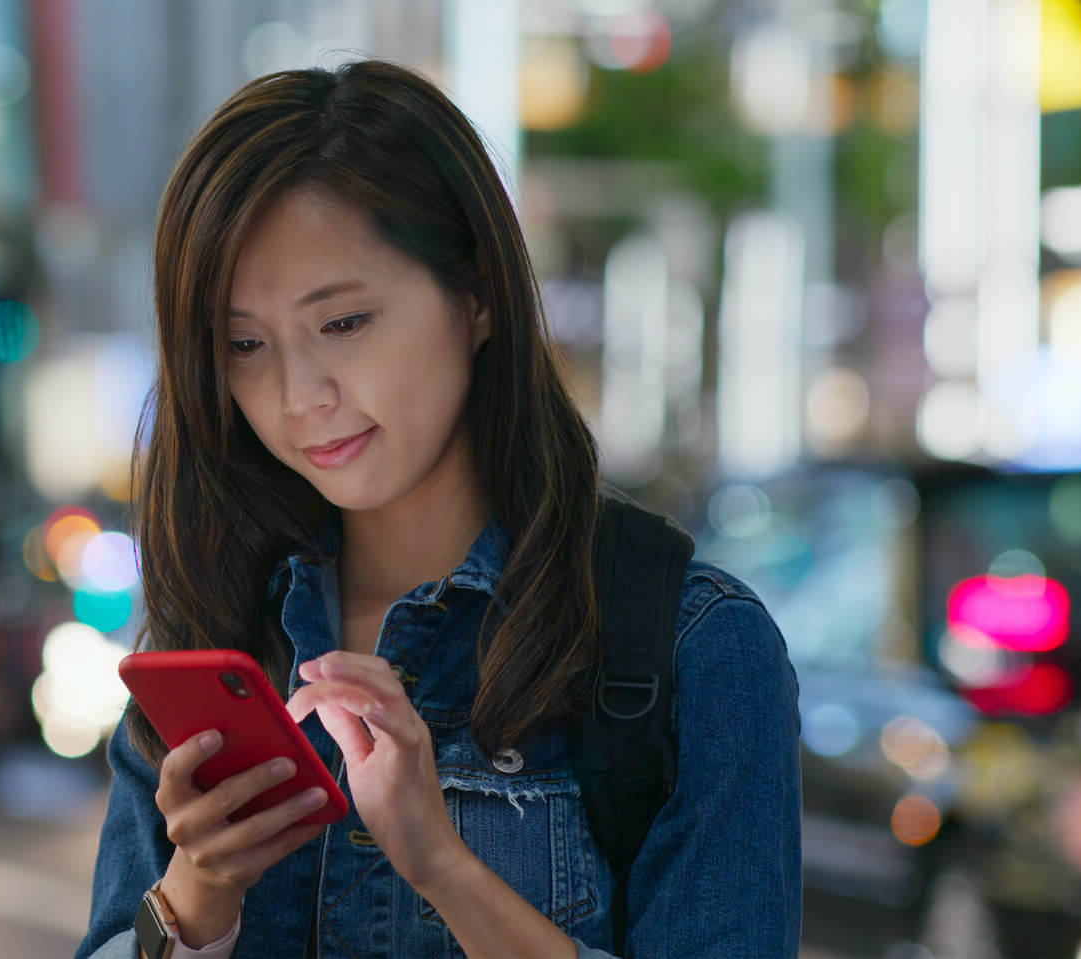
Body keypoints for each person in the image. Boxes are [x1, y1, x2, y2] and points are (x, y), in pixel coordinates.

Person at [73, 59, 801, 959]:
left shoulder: (690, 646)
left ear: (477, 293)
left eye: (343, 323)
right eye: (245, 344)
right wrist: (197, 898)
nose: (301, 394)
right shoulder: (217, 642)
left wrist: (442, 864)